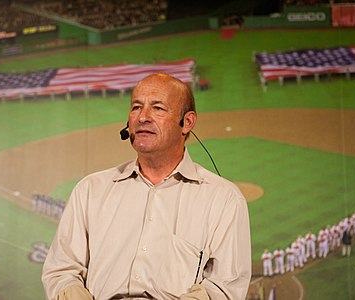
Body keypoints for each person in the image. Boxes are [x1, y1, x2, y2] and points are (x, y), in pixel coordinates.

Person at [42, 73, 251, 300]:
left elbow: (224, 288)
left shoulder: (223, 198)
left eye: (158, 108)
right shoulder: (90, 190)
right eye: (136, 107)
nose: (143, 117)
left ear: (187, 122)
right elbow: (62, 270)